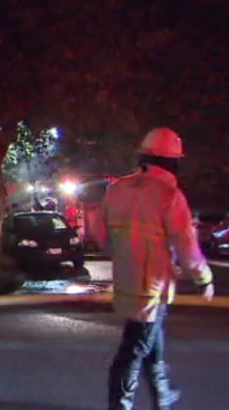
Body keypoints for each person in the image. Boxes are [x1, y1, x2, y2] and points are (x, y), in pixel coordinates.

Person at [98, 127, 214, 410]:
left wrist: (125, 255)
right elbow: (188, 248)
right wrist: (204, 280)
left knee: (150, 345)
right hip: (152, 290)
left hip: (127, 284)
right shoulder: (170, 196)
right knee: (134, 351)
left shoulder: (117, 189)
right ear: (173, 161)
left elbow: (103, 239)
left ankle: (162, 396)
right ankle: (121, 405)